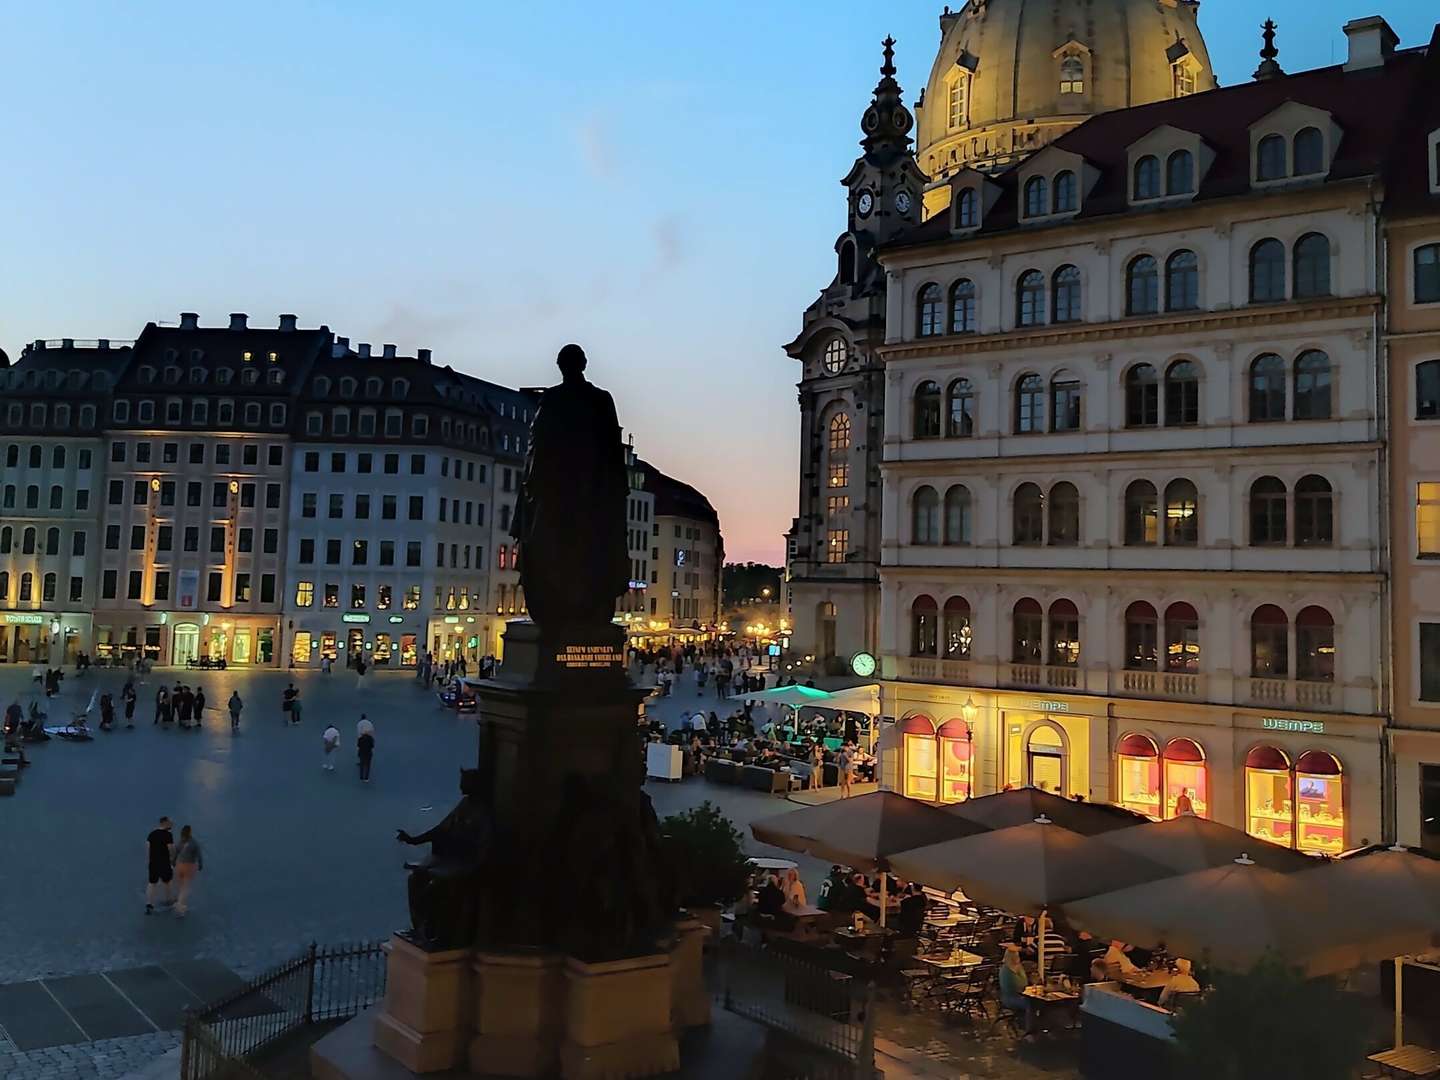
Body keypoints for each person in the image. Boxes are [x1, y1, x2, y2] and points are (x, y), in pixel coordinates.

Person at [145, 817, 175, 914]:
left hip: (153, 862)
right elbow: (171, 849)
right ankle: (169, 900)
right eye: (170, 822)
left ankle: (149, 904)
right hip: (164, 862)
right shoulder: (168, 835)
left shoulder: (152, 834)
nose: (172, 824)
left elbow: (148, 848)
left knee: (152, 883)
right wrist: (172, 861)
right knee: (167, 881)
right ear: (164, 823)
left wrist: (149, 861)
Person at [172, 825, 203, 918]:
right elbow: (199, 855)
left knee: (181, 884)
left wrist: (173, 861)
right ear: (190, 832)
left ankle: (178, 901)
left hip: (180, 865)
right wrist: (201, 864)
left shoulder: (180, 841)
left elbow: (176, 852)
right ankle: (180, 907)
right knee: (186, 887)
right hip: (189, 867)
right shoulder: (194, 843)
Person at [999, 945, 1032, 1029]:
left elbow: (1024, 982)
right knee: (1031, 1004)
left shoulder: (1019, 968)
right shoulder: (1005, 971)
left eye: (1017, 955)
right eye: (1015, 956)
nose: (1017, 957)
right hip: (1011, 997)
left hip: (1023, 994)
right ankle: (1029, 1028)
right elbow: (1012, 987)